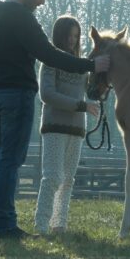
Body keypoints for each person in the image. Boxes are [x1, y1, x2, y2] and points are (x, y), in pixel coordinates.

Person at [0, 0, 110, 240]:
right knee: (9, 161)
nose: (41, 2)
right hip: (16, 95)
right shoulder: (22, 18)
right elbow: (49, 54)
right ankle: (6, 226)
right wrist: (90, 65)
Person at [34, 16, 100, 235]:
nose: (72, 40)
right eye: (68, 36)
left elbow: (90, 91)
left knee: (68, 180)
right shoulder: (50, 61)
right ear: (59, 36)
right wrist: (80, 105)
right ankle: (41, 225)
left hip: (77, 129)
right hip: (54, 126)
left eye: (75, 36)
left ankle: (59, 224)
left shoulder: (81, 66)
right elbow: (47, 94)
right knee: (52, 176)